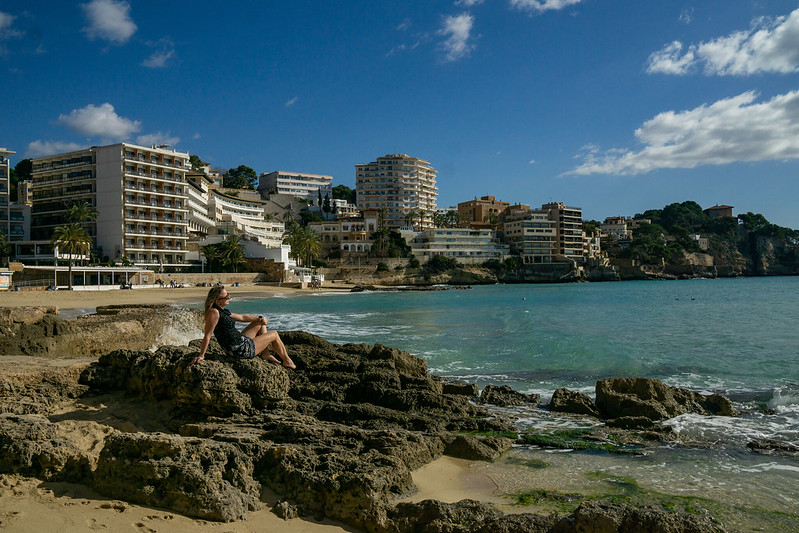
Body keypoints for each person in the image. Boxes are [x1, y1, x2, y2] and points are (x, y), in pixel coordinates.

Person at [190, 285, 296, 368]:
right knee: (274, 334)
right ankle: (287, 361)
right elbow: (208, 335)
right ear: (217, 301)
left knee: (260, 324)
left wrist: (259, 318)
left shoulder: (222, 311)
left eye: (228, 294)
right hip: (239, 350)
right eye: (226, 297)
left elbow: (242, 317)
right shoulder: (214, 313)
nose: (229, 298)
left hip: (239, 341)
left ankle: (265, 353)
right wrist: (202, 355)